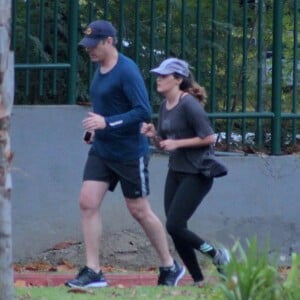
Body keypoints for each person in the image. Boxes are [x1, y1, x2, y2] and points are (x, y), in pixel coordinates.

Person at [65, 21, 185, 289]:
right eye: (87, 47)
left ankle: (170, 265)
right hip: (102, 150)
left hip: (129, 153)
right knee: (87, 202)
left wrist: (107, 123)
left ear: (109, 41)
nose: (90, 51)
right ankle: (93, 271)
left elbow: (142, 112)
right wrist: (96, 130)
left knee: (139, 210)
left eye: (94, 45)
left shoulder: (127, 71)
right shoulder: (99, 70)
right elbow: (105, 107)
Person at [141, 57, 230, 287]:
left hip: (197, 173)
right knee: (176, 228)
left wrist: (178, 144)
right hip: (176, 171)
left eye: (163, 76)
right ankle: (198, 279)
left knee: (174, 225)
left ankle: (216, 255)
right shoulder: (164, 106)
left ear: (178, 79)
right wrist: (154, 135)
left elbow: (209, 137)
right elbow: (164, 144)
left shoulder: (189, 104)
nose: (158, 80)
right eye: (158, 75)